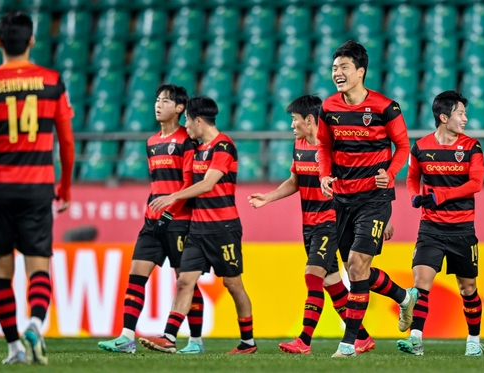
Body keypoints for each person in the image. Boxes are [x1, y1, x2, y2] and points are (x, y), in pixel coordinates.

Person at [248, 94, 385, 355]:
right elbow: (295, 181)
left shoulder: (334, 146)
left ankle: (304, 341)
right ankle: (363, 337)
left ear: (310, 120)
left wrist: (378, 212)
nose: (291, 125)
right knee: (333, 284)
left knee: (312, 275)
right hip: (308, 224)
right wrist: (268, 197)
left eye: (294, 120)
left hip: (331, 221)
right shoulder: (299, 144)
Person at [316, 40, 418, 358]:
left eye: (344, 67)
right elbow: (323, 147)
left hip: (374, 198)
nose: (338, 73)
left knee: (358, 266)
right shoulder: (329, 108)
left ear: (360, 71)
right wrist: (324, 174)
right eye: (334, 68)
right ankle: (403, 296)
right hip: (342, 198)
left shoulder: (386, 108)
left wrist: (391, 172)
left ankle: (348, 344)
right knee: (354, 269)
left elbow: (403, 146)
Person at [0, 12, 75, 365]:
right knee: (39, 266)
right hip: (38, 187)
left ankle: (14, 348)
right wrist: (64, 186)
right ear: (32, 41)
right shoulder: (52, 81)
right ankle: (35, 323)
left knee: (0, 268)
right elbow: (66, 142)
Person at [143, 96, 257, 354]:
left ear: (198, 120)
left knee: (233, 284)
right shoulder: (196, 147)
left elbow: (207, 184)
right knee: (184, 281)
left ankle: (248, 342)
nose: (186, 126)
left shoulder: (224, 146)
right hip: (197, 229)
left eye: (187, 120)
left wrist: (173, 196)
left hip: (223, 228)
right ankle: (169, 338)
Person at [98, 84, 205, 355]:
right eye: (157, 100)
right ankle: (126, 337)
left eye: (166, 101)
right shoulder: (151, 142)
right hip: (152, 222)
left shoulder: (186, 141)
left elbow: (189, 183)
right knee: (136, 277)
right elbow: (157, 184)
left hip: (179, 221)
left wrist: (170, 211)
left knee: (186, 282)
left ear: (180, 108)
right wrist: (153, 212)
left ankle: (195, 340)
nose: (158, 104)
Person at [398, 90, 484, 357]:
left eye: (465, 113)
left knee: (467, 288)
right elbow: (412, 178)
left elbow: (476, 184)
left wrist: (440, 196)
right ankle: (416, 340)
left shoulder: (472, 147)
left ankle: (473, 340)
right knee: (421, 283)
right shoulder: (421, 147)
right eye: (461, 113)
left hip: (462, 228)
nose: (465, 119)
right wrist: (415, 196)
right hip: (431, 228)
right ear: (444, 117)